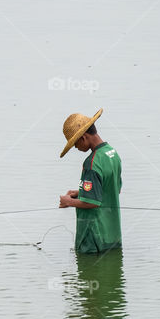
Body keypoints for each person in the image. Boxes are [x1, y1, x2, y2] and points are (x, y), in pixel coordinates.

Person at [58, 108, 122, 254]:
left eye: (75, 143)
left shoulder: (92, 163)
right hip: (112, 235)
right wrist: (79, 192)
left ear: (84, 137)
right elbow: (112, 188)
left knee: (88, 276)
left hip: (94, 237)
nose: (75, 147)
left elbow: (92, 202)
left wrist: (68, 201)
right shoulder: (112, 154)